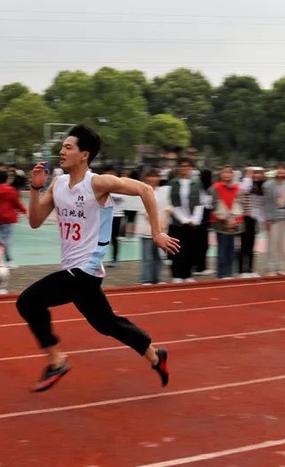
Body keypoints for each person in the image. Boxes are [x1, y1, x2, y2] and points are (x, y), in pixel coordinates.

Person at [15, 124, 179, 392]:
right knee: (106, 324)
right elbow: (34, 221)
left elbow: (146, 191)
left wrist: (157, 232)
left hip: (84, 270)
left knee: (28, 302)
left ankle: (57, 360)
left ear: (84, 155)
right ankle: (154, 355)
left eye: (68, 147)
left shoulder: (97, 183)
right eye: (62, 146)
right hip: (74, 270)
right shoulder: (57, 184)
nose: (61, 151)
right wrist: (35, 188)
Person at [168, 158, 204, 283]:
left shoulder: (196, 183)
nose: (185, 168)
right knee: (178, 249)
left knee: (191, 249)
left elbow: (200, 203)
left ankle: (188, 274)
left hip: (192, 222)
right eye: (182, 166)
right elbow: (172, 204)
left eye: (187, 166)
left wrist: (194, 220)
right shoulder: (173, 183)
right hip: (178, 222)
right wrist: (184, 220)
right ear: (179, 168)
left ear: (191, 168)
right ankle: (177, 274)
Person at [135, 168, 172, 284]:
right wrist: (157, 225)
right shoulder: (141, 190)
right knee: (147, 257)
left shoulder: (165, 191)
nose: (153, 179)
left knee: (159, 256)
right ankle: (146, 279)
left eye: (156, 176)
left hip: (162, 230)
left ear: (159, 178)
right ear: (146, 178)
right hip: (147, 229)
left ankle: (158, 279)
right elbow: (144, 211)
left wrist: (163, 223)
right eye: (150, 176)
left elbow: (169, 207)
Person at [0, 170, 27, 268]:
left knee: (0, 239)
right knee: (5, 241)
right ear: (7, 179)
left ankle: (2, 259)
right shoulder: (10, 190)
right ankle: (6, 260)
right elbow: (17, 203)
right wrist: (25, 211)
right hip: (7, 218)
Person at [210, 166, 244, 279]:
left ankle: (229, 272)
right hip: (220, 222)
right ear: (221, 174)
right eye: (225, 172)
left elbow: (239, 204)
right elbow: (214, 206)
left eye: (230, 172)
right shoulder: (215, 188)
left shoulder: (237, 188)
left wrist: (234, 219)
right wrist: (225, 219)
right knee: (222, 248)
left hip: (233, 222)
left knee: (231, 248)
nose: (227, 175)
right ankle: (221, 272)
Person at [263, 164, 285, 275]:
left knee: (282, 244)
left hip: (284, 218)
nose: (281, 171)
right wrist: (268, 218)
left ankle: (281, 267)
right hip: (273, 219)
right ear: (275, 171)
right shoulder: (268, 185)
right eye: (279, 168)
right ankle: (270, 268)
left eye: (284, 169)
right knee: (272, 244)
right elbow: (266, 203)